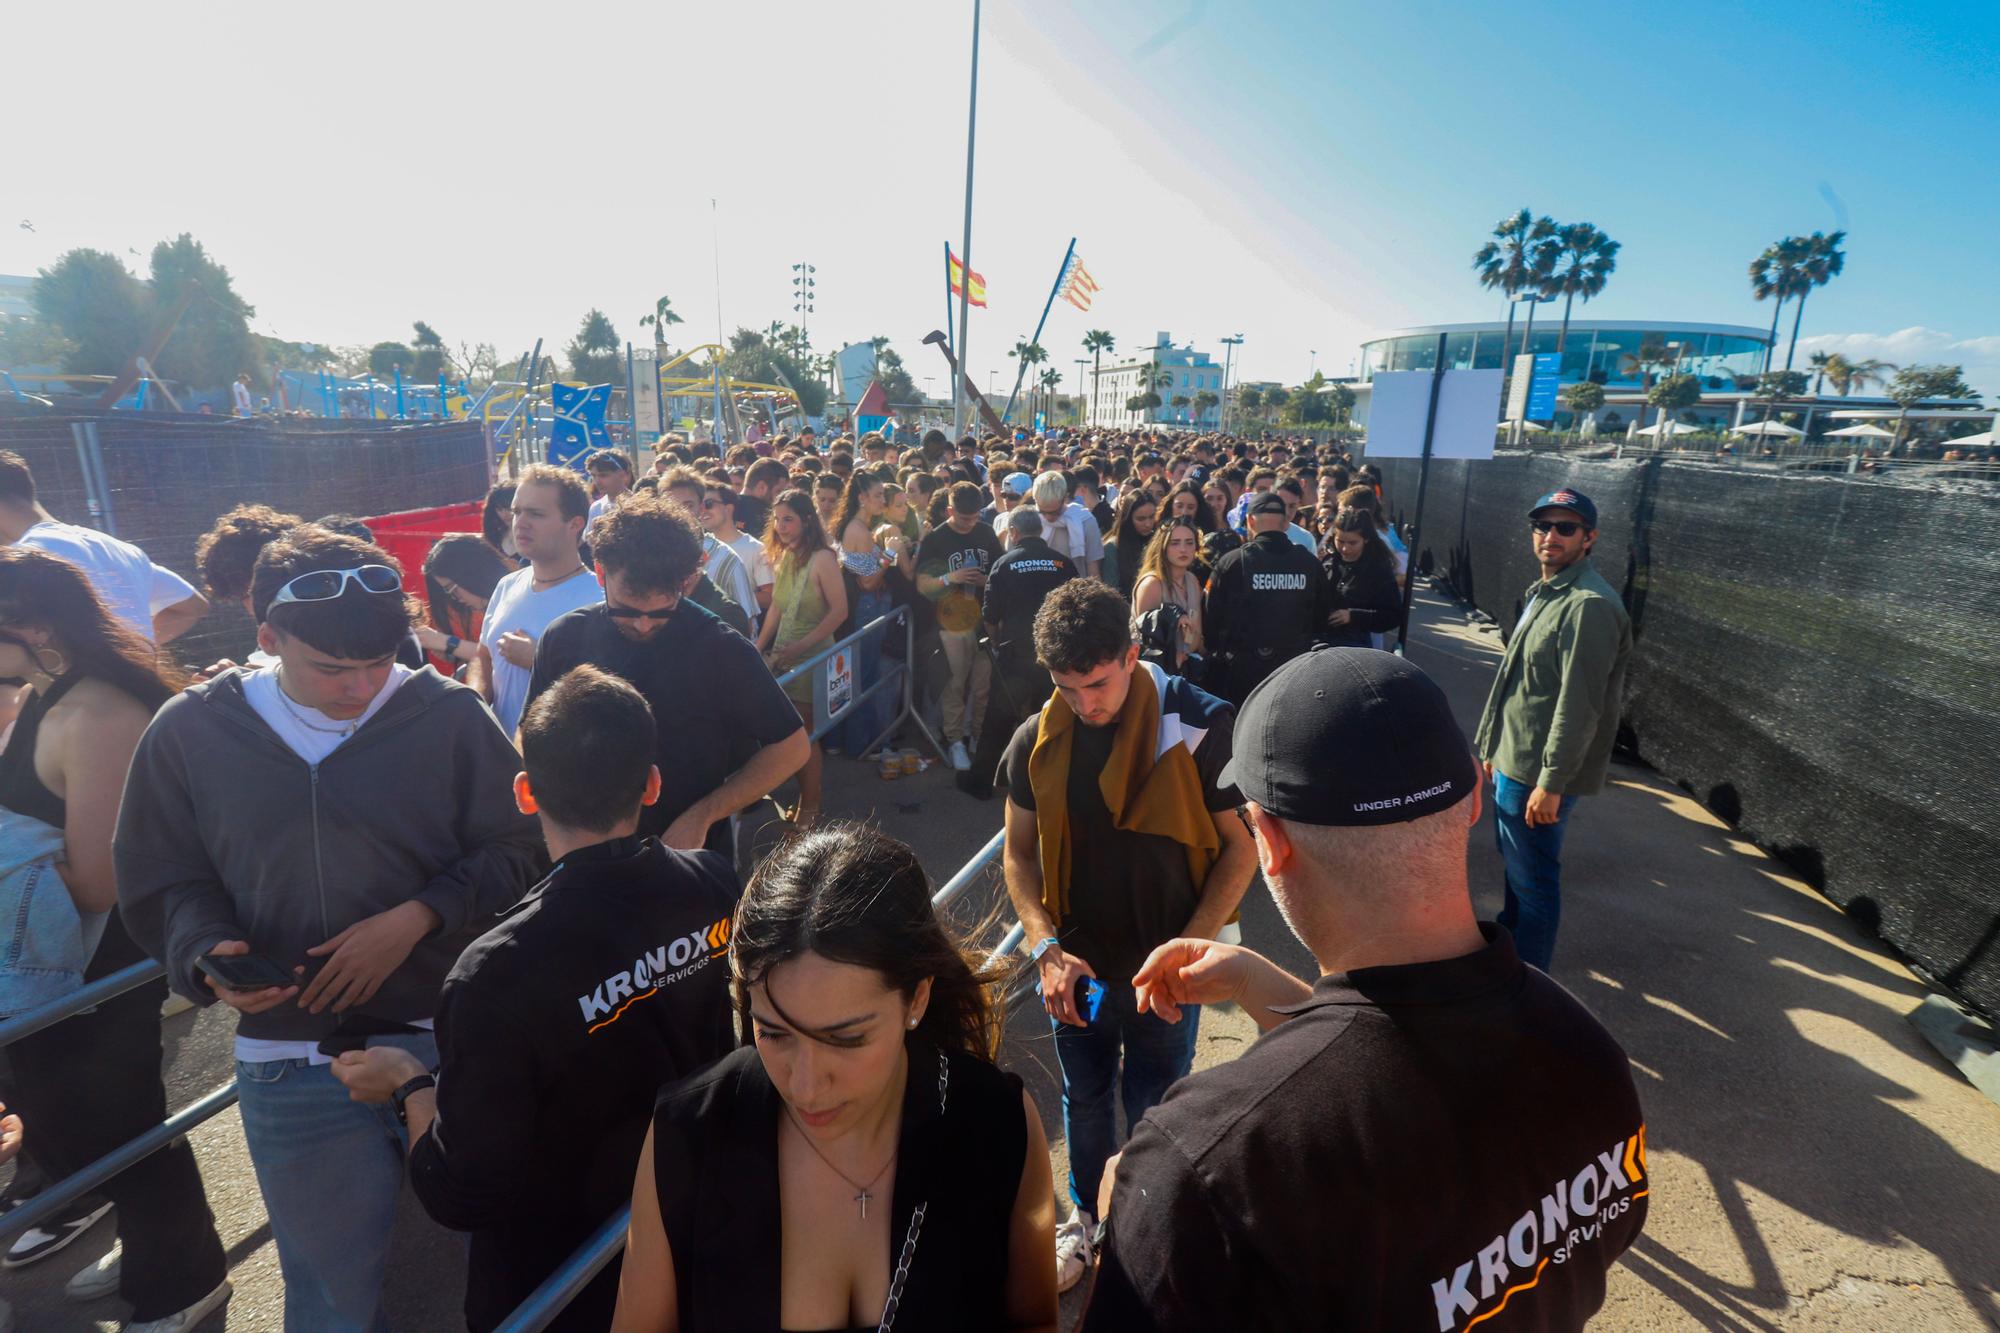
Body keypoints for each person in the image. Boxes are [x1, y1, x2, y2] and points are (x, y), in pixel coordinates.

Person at [1084, 649, 1649, 1331]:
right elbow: (1390, 1059)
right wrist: (1252, 980)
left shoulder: (1203, 1172)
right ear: (1473, 795)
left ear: (1267, 840)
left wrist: (1135, 1217)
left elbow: (1357, 1078)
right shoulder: (1589, 1055)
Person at [114, 525, 542, 1331]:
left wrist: (418, 916)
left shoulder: (448, 713)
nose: (361, 688)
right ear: (267, 637)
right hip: (287, 1059)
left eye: (381, 663)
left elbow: (522, 844)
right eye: (332, 669)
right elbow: (163, 876)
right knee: (330, 1297)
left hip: (445, 1038)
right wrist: (204, 949)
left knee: (478, 1271)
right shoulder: (188, 729)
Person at [331, 665, 740, 1332]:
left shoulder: (494, 973)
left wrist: (408, 1083)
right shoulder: (714, 880)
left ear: (525, 792)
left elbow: (462, 1189)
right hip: (700, 1227)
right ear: (653, 781)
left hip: (564, 1287)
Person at [613, 823, 1059, 1332]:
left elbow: (1033, 1321)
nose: (803, 1086)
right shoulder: (689, 1131)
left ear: (916, 998)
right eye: (773, 1033)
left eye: (845, 1039)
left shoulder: (994, 1122)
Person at [997, 578, 1256, 1291]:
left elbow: (1243, 848)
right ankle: (1086, 1216)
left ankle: (1147, 1223)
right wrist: (1044, 949)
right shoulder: (1038, 737)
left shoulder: (1201, 722)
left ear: (1134, 653)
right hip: (1074, 967)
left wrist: (1189, 949)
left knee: (1158, 1099)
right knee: (1084, 1097)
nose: (1086, 704)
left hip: (1166, 966)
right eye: (1067, 686)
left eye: (1099, 683)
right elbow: (1017, 854)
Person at [0, 550, 231, 1331]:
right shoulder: (42, 693)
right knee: (66, 1121)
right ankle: (147, 1239)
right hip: (51, 962)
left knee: (115, 1126)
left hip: (98, 965)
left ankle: (184, 1279)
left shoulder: (95, 712)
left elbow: (98, 881)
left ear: (35, 629)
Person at [527, 494, 808, 857]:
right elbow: (530, 735)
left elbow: (792, 746)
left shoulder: (720, 647)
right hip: (584, 865)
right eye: (626, 610)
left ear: (687, 582)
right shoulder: (562, 638)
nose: (644, 625)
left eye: (662, 612)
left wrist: (704, 815)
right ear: (600, 572)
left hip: (693, 865)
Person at [1472, 488, 1633, 972]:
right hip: (1515, 758)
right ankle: (1511, 951)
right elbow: (1519, 683)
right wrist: (1494, 747)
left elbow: (1579, 705)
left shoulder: (1588, 605)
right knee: (1519, 872)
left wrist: (1551, 783)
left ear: (1589, 539)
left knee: (1535, 881)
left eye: (1566, 527)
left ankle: (1527, 982)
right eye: (1544, 526)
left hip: (1539, 771)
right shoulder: (1550, 590)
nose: (1551, 536)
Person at [0, 450, 208, 644]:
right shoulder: (119, 548)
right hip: (139, 681)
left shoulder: (22, 561)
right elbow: (193, 607)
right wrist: (135, 651)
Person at [471, 463, 604, 737]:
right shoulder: (507, 585)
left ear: (575, 524)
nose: (520, 522)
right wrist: (475, 700)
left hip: (557, 767)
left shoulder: (599, 599)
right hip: (499, 760)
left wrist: (539, 660)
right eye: (517, 511)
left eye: (536, 514)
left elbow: (608, 691)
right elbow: (483, 656)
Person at [957, 510, 1075, 801]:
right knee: (1056, 719)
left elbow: (990, 617)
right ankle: (1055, 782)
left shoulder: (1004, 564)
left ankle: (980, 781)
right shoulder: (1064, 563)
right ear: (1041, 532)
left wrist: (997, 644)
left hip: (1016, 655)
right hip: (1056, 655)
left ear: (1013, 532)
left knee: (997, 721)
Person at [756, 490, 849, 827]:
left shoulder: (822, 558)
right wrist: (759, 645)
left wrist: (801, 647)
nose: (780, 526)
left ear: (806, 520)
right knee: (792, 734)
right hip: (784, 656)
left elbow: (840, 611)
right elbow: (777, 608)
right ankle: (805, 800)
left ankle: (810, 805)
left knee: (805, 735)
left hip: (814, 658)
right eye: (777, 519)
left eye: (788, 519)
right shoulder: (784, 556)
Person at [1204, 492, 1330, 706]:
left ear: (1250, 520)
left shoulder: (1232, 562)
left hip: (1243, 676)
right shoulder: (1310, 563)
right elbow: (1324, 615)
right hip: (1295, 671)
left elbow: (1211, 617)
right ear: (1285, 523)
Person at [917, 482, 999, 773]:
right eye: (964, 518)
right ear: (950, 510)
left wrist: (985, 580)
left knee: (982, 685)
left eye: (975, 517)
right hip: (950, 623)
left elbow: (999, 574)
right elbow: (922, 584)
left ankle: (977, 736)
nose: (970, 523)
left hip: (983, 622)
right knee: (954, 685)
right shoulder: (937, 539)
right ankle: (955, 741)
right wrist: (950, 577)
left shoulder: (986, 532)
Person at [833, 471, 896, 757]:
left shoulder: (861, 527)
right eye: (879, 495)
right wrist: (890, 554)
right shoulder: (856, 530)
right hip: (866, 607)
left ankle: (861, 742)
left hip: (870, 607)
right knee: (864, 676)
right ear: (861, 497)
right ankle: (862, 744)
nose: (883, 500)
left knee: (865, 674)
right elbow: (868, 580)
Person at [419, 532, 512, 674]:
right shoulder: (485, 605)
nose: (456, 598)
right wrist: (455, 653)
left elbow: (504, 656)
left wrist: (448, 643)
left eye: (453, 588)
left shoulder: (514, 600)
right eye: (448, 592)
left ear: (472, 574)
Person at [1129, 515, 1205, 672]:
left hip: (1185, 666)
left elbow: (1196, 634)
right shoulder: (1152, 584)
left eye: (1189, 543)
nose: (1183, 549)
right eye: (1175, 543)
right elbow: (1146, 641)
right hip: (1154, 671)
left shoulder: (1192, 581)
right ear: (1162, 546)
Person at [696, 478, 775, 627]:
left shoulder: (755, 548)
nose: (703, 510)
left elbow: (770, 597)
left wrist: (730, 595)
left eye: (709, 504)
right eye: (700, 505)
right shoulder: (698, 547)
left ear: (729, 508)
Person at [1321, 508, 1403, 649]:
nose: (1345, 549)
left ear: (1366, 539)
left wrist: (1352, 616)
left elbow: (1392, 616)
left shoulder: (1378, 570)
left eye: (1352, 543)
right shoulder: (1328, 562)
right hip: (1322, 640)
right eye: (1340, 541)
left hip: (1354, 646)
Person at [1030, 471, 1103, 580]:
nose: (1049, 518)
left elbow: (1093, 569)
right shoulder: (1029, 520)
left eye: (1055, 512)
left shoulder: (1085, 520)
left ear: (1065, 498)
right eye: (1042, 512)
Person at [1098, 490, 1157, 600]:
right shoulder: (1112, 548)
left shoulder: (1157, 541)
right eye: (1141, 519)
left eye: (1152, 517)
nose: (1148, 524)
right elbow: (1112, 593)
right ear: (1128, 518)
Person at [736, 457, 788, 542]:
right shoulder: (768, 517)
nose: (782, 498)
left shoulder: (723, 509)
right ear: (762, 487)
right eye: (779, 491)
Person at [587, 450, 636, 523]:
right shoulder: (596, 508)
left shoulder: (637, 506)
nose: (597, 481)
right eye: (593, 476)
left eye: (603, 475)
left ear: (622, 475)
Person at [481, 482, 521, 564]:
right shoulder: (495, 536)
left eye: (508, 508)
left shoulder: (532, 532)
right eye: (499, 509)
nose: (504, 514)